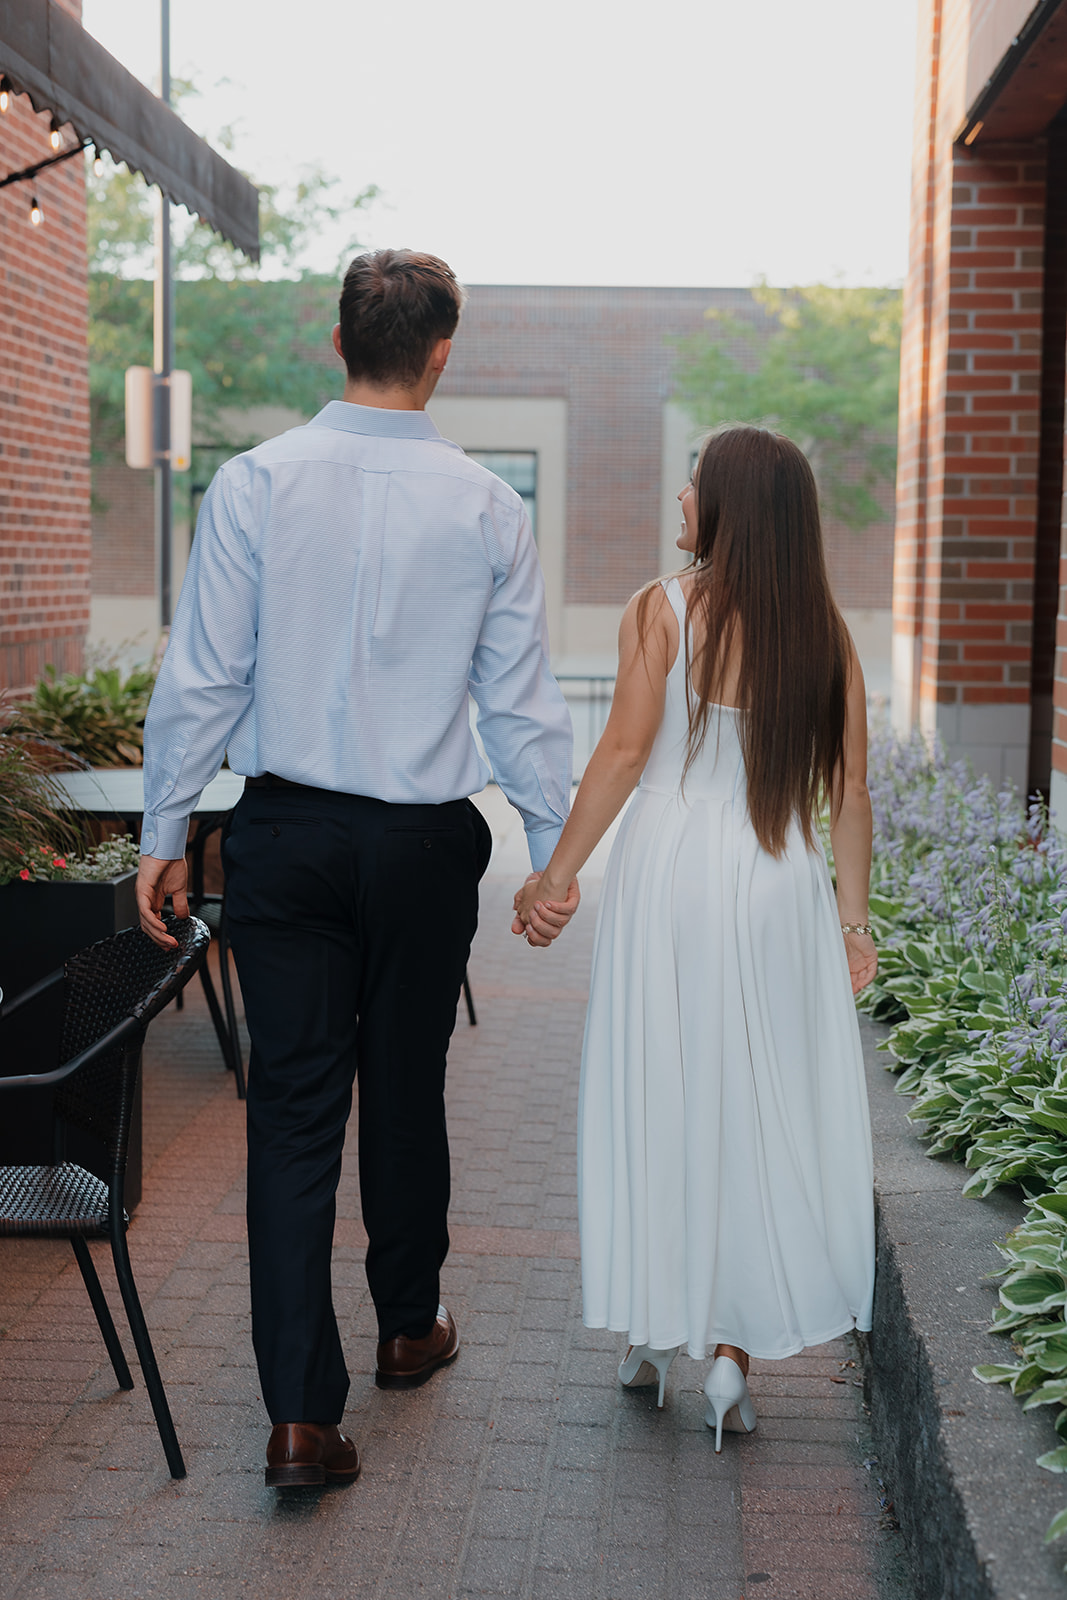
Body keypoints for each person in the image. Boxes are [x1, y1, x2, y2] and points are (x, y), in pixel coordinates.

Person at [136, 249, 578, 1489]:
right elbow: (521, 704)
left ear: (337, 344)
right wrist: (551, 853)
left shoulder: (255, 484)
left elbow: (204, 675)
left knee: (288, 1115)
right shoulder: (491, 507)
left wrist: (164, 832)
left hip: (282, 836)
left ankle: (298, 1415)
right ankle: (404, 1327)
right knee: (406, 1085)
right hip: (425, 846)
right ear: (440, 353)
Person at [514, 423, 877, 1449]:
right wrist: (853, 920)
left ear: (727, 508)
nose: (680, 494)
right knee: (748, 1109)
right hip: (774, 882)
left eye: (694, 481)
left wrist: (554, 877)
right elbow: (847, 790)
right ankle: (729, 1359)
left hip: (670, 875)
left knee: (658, 1091)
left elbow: (625, 754)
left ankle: (649, 1330)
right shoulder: (826, 635)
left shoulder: (660, 608)